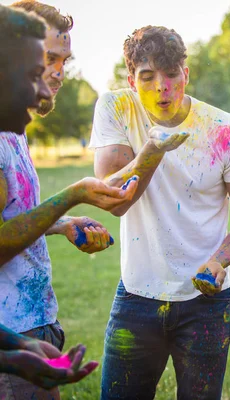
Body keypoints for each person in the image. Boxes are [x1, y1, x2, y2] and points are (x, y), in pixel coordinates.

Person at [89, 25, 230, 399]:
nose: (161, 88)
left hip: (207, 302)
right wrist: (153, 151)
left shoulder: (225, 131)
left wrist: (229, 262)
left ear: (186, 73)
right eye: (148, 76)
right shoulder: (116, 108)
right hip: (137, 296)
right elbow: (113, 198)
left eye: (171, 75)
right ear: (131, 80)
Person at [0, 4, 137, 398]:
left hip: (29, 329)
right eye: (46, 61)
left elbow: (12, 217)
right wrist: (71, 195)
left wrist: (60, 225)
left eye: (64, 60)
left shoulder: (14, 129)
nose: (56, 76)